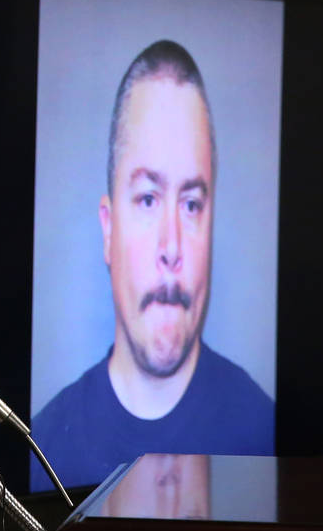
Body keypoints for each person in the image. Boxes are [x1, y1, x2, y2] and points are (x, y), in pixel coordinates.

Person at [30, 39, 273, 492]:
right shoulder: (42, 450)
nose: (171, 246)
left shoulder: (267, 434)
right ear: (108, 230)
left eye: (192, 204)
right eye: (147, 199)